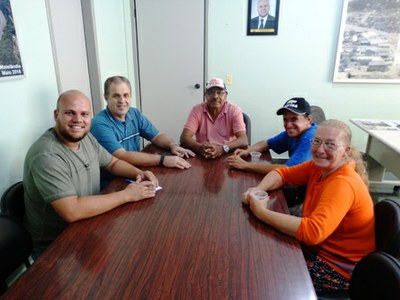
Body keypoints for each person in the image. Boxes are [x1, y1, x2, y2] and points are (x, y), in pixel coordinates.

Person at [242, 119, 375, 293]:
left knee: (264, 274)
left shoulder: (343, 183)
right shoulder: (319, 167)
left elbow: (313, 232)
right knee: (259, 254)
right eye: (317, 141)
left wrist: (261, 211)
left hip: (339, 268)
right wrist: (257, 190)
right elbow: (282, 173)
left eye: (330, 145)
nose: (320, 150)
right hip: (318, 250)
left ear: (346, 151)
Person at [23, 90, 159, 256]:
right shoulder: (46, 155)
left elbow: (112, 163)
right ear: (56, 115)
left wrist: (139, 173)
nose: (78, 120)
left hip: (90, 224)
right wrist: (127, 195)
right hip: (57, 248)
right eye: (70, 113)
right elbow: (71, 211)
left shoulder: (85, 138)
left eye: (84, 114)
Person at [91, 76, 195, 186]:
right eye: (116, 96)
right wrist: (163, 160)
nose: (122, 101)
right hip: (111, 182)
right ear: (106, 97)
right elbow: (122, 156)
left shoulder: (134, 113)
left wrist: (172, 145)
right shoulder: (99, 124)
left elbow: (157, 136)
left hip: (136, 173)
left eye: (125, 95)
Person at [228, 97, 317, 175]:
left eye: (294, 119)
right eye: (285, 120)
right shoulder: (293, 132)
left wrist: (245, 165)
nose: (288, 125)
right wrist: (247, 151)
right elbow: (267, 143)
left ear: (309, 120)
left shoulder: (311, 138)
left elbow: (288, 169)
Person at [180, 77, 248, 159]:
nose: (215, 96)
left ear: (226, 95)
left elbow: (243, 139)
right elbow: (184, 137)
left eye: (219, 93)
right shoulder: (197, 110)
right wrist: (199, 148)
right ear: (205, 95)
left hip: (227, 154)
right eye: (211, 93)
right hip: (203, 154)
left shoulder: (234, 110)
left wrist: (223, 149)